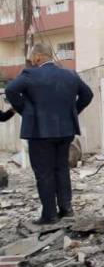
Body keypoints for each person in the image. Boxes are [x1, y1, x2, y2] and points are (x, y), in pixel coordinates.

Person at [5, 43, 93, 224]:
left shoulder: (30, 74)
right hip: (65, 131)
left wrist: (25, 111)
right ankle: (66, 209)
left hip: (40, 133)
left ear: (38, 57)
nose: (31, 61)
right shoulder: (70, 74)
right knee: (62, 169)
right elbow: (88, 95)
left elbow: (10, 90)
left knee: (44, 173)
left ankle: (50, 215)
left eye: (32, 58)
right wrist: (72, 113)